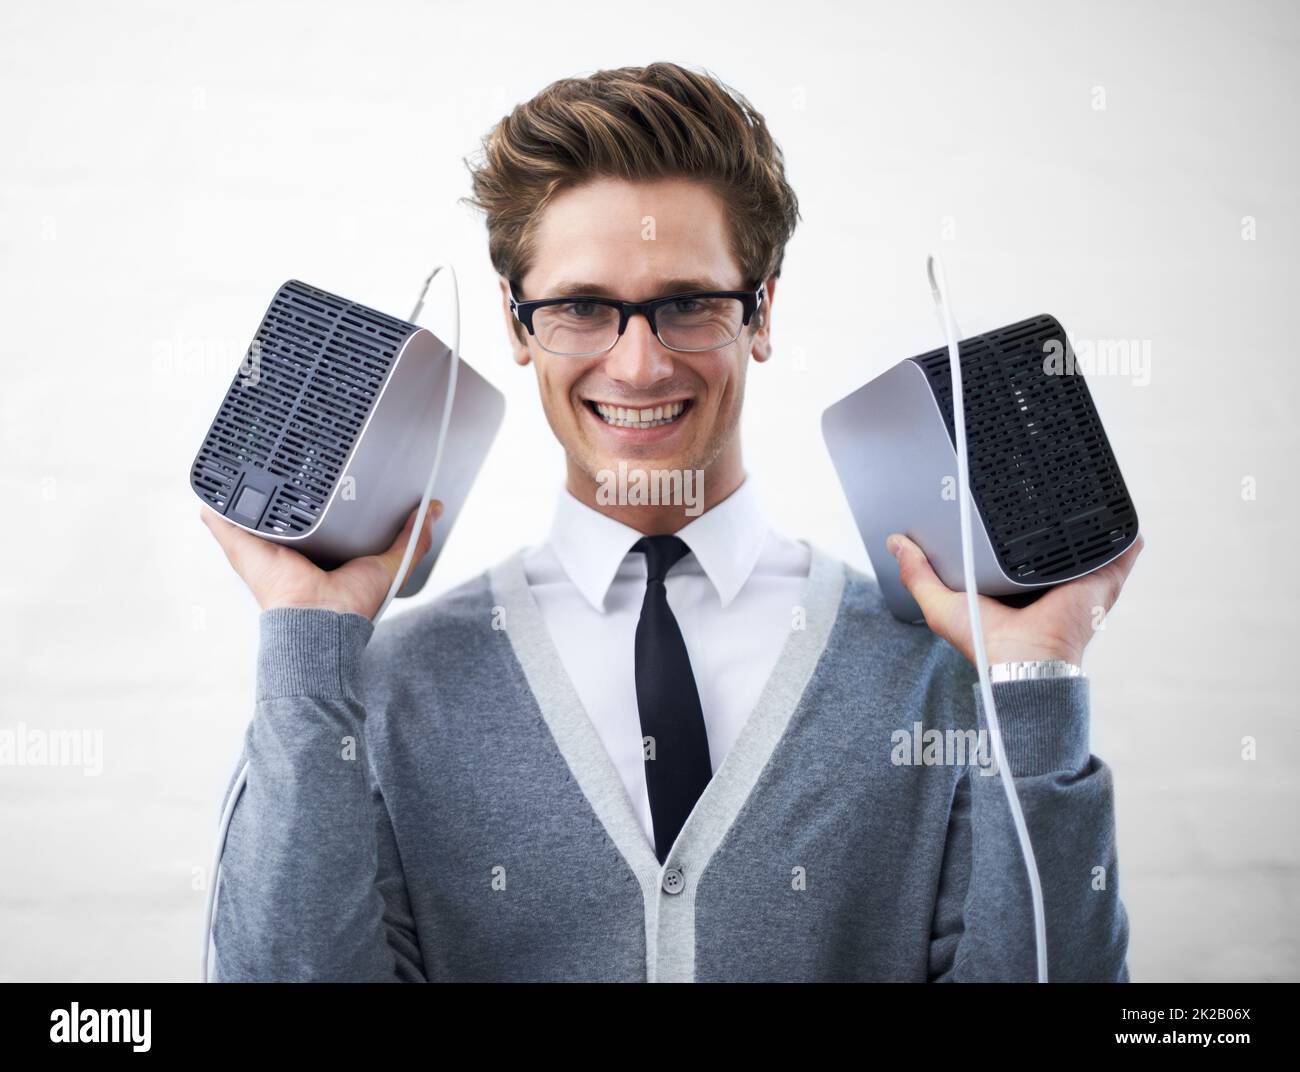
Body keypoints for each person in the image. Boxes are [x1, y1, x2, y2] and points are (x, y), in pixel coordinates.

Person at [201, 61, 1144, 982]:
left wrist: (1033, 682)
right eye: (580, 307)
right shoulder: (380, 688)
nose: (640, 365)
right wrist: (304, 640)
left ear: (762, 310)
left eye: (689, 304)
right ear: (518, 324)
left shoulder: (937, 675)